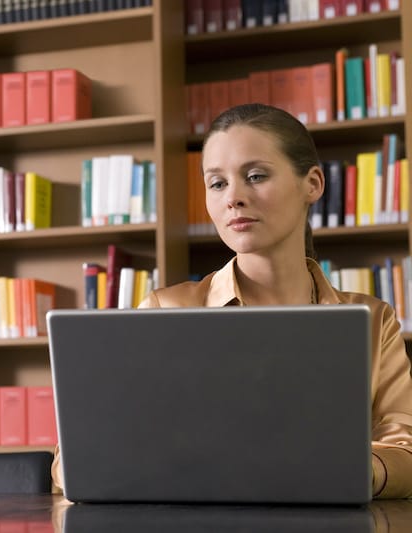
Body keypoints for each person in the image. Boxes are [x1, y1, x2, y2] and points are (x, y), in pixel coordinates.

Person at [51, 103, 412, 499]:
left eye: (255, 176)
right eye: (217, 183)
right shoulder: (167, 311)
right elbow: (71, 461)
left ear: (312, 184)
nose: (233, 198)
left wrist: (361, 472)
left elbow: (405, 451)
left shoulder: (374, 320)